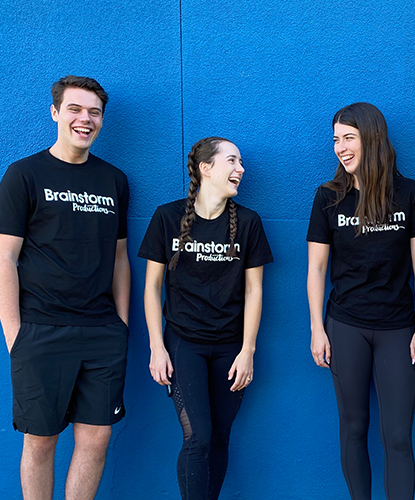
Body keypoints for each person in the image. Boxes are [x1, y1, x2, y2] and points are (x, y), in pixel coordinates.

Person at [0, 75, 130, 500]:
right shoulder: (24, 175)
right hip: (41, 330)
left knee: (96, 440)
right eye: (75, 109)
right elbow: (3, 261)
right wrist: (16, 337)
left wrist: (121, 324)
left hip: (102, 332)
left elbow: (120, 257)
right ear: (55, 113)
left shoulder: (114, 181)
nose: (84, 119)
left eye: (94, 112)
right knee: (41, 440)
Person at [306, 102, 415, 500]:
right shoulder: (328, 197)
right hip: (345, 325)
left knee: (397, 436)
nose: (340, 148)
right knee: (354, 427)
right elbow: (316, 269)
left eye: (348, 138)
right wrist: (316, 329)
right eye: (335, 140)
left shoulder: (410, 194)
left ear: (371, 138)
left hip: (399, 328)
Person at [140, 137, 273, 500]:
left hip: (230, 347)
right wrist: (156, 346)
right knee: (197, 436)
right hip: (183, 344)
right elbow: (152, 287)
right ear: (206, 168)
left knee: (219, 437)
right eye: (232, 161)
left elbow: (254, 291)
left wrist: (247, 351)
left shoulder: (248, 222)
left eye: (241, 162)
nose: (241, 169)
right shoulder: (167, 217)